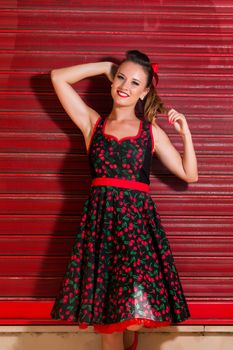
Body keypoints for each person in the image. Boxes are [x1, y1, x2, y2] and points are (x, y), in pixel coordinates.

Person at [49, 50, 198, 350]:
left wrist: (186, 134)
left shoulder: (150, 132)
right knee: (107, 322)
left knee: (132, 313)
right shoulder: (93, 124)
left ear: (144, 92)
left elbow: (188, 174)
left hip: (136, 233)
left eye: (134, 82)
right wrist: (105, 66)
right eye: (120, 77)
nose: (125, 86)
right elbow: (58, 78)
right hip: (101, 231)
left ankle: (132, 341)